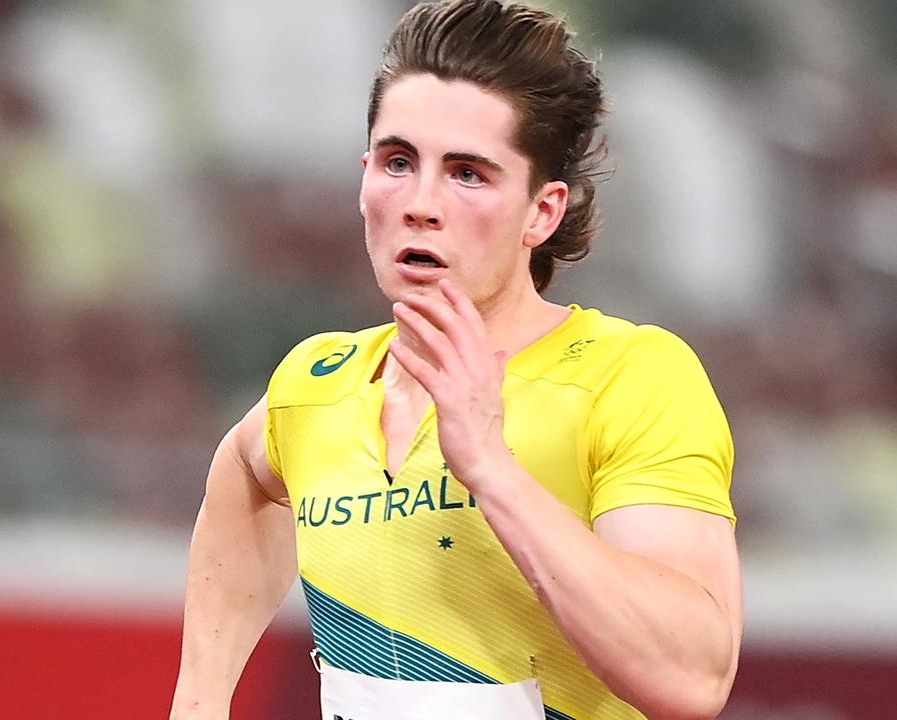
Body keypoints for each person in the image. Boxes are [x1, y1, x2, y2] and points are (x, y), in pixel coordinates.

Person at [169, 1, 742, 718]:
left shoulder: (630, 377)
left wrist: (491, 470)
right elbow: (244, 475)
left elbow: (692, 679)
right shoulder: (316, 387)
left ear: (543, 211)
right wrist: (201, 698)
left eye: (468, 174)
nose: (420, 203)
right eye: (398, 162)